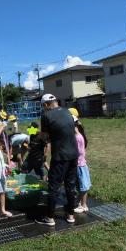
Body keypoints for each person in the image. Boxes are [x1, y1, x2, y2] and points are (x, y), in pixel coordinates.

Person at [35, 93, 79, 226]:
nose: (44, 109)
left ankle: (50, 218)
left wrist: (40, 137)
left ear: (46, 104)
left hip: (60, 156)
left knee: (54, 187)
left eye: (44, 106)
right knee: (70, 186)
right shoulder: (67, 111)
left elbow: (44, 137)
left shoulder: (46, 116)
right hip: (74, 154)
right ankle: (70, 215)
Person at [72, 111, 91, 213]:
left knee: (83, 186)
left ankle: (83, 205)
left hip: (80, 164)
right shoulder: (78, 135)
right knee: (79, 185)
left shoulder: (77, 137)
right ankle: (80, 203)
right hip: (79, 164)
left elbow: (79, 152)